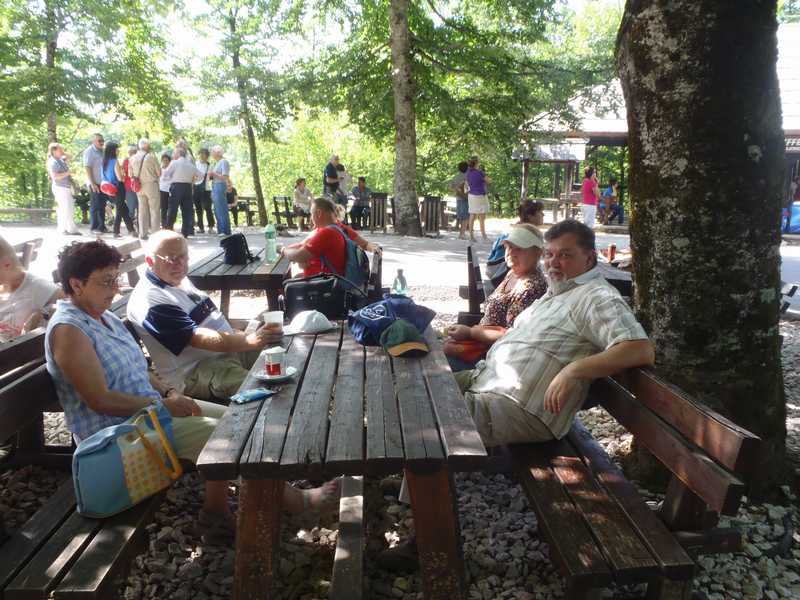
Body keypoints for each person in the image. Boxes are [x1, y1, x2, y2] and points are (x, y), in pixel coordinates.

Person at [381, 220, 655, 570]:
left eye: (565, 255)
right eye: (550, 255)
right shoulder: (557, 292)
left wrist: (575, 370)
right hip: (490, 385)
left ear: (590, 258)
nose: (553, 263)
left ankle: (428, 540)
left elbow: (640, 349)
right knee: (413, 386)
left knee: (431, 422)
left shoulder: (597, 297)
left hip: (524, 408)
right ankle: (414, 478)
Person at [46, 240, 338, 545]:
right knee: (227, 437)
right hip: (117, 435)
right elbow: (99, 400)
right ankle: (295, 502)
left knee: (241, 418)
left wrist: (169, 392)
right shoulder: (70, 330)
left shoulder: (103, 316)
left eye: (115, 279)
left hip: (148, 413)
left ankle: (216, 511)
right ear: (76, 285)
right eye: (106, 281)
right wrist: (163, 406)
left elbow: (139, 370)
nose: (115, 288)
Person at [444, 224, 547, 371]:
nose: (511, 252)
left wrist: (470, 332)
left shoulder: (531, 287)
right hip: (480, 345)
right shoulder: (514, 273)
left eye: (520, 248)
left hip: (492, 359)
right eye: (509, 246)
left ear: (538, 253)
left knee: (436, 364)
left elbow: (512, 336)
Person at [281, 197, 380, 277]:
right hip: (326, 280)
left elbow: (299, 255)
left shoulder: (327, 233)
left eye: (312, 213)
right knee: (295, 278)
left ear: (319, 213)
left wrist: (284, 251)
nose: (311, 218)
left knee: (285, 284)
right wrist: (298, 257)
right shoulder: (335, 228)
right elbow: (301, 247)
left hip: (325, 286)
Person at [0, 236, 62, 343]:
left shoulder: (39, 288)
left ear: (7, 264)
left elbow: (73, 306)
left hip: (20, 350)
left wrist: (45, 313)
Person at [162, 147, 199, 237]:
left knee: (173, 209)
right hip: (187, 187)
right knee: (186, 210)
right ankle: (185, 232)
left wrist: (170, 177)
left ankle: (169, 230)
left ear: (178, 154)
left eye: (174, 153)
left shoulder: (174, 163)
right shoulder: (190, 164)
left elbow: (166, 174)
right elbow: (200, 175)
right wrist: (192, 181)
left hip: (176, 187)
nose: (173, 155)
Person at [128, 139, 162, 240]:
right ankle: (155, 234)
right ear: (147, 146)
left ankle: (142, 233)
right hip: (151, 185)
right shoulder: (151, 157)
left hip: (138, 186)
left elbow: (130, 174)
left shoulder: (132, 158)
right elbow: (159, 173)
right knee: (154, 210)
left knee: (142, 210)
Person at [102, 142, 136, 239]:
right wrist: (124, 175)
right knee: (120, 210)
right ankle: (116, 231)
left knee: (124, 209)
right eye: (117, 149)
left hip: (109, 189)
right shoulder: (114, 161)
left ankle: (131, 230)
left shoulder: (104, 162)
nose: (118, 151)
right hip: (118, 188)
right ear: (113, 150)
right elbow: (120, 178)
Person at [47, 143, 81, 235]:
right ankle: (62, 229)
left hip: (65, 187)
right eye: (60, 149)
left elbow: (70, 156)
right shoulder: (53, 162)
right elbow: (55, 176)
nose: (62, 151)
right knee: (64, 209)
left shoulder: (60, 160)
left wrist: (62, 153)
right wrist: (68, 173)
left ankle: (72, 229)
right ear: (54, 151)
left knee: (70, 208)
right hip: (60, 188)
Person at [83, 133, 107, 233]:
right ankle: (94, 227)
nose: (102, 143)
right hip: (94, 182)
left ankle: (101, 226)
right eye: (99, 141)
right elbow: (87, 167)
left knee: (102, 205)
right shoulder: (89, 151)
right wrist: (92, 183)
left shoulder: (102, 151)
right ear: (93, 141)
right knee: (95, 205)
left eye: (102, 141)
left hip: (103, 182)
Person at [466, 156, 491, 241]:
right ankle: (484, 236)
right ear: (476, 163)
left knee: (472, 215)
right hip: (480, 196)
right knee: (482, 216)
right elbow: (488, 181)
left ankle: (471, 236)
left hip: (471, 196)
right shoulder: (480, 172)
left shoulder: (468, 173)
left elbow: (467, 184)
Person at [209, 146, 231, 236]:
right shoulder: (216, 163)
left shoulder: (224, 162)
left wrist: (213, 173)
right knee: (217, 209)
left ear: (218, 153)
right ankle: (220, 230)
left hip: (220, 185)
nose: (211, 154)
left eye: (213, 152)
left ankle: (224, 230)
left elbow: (225, 176)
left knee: (221, 208)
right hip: (215, 185)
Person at [193, 148, 214, 234]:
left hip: (206, 189)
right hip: (195, 187)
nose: (202, 156)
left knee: (208, 208)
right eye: (201, 154)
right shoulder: (195, 164)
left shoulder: (209, 165)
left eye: (204, 154)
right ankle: (201, 227)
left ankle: (211, 227)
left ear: (207, 156)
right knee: (198, 209)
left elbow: (211, 177)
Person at [449, 161, 470, 240]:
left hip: (458, 198)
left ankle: (461, 233)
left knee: (461, 216)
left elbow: (450, 188)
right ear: (467, 168)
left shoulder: (455, 177)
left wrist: (457, 190)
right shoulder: (468, 177)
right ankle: (462, 234)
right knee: (466, 216)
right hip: (466, 198)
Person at [122, 145, 139, 224]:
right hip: (129, 187)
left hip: (139, 186)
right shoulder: (126, 161)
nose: (131, 153)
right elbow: (122, 174)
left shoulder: (139, 160)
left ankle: (139, 223)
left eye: (133, 152)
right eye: (130, 152)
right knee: (131, 207)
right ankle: (130, 224)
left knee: (140, 206)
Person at [159, 153, 172, 228]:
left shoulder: (171, 169)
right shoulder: (159, 169)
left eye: (166, 160)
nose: (165, 162)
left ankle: (169, 224)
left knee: (170, 208)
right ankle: (163, 224)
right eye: (163, 160)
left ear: (169, 161)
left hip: (170, 191)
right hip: (162, 190)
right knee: (163, 208)